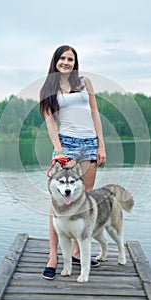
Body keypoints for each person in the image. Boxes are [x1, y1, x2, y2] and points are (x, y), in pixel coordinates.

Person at [40, 45, 106, 279]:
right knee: (59, 202)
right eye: (62, 58)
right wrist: (58, 149)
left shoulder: (84, 82)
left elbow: (95, 112)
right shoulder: (48, 87)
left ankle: (76, 253)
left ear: (75, 62)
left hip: (89, 143)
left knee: (85, 197)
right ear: (56, 61)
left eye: (71, 59)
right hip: (65, 145)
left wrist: (101, 144)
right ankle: (53, 256)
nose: (66, 62)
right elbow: (50, 122)